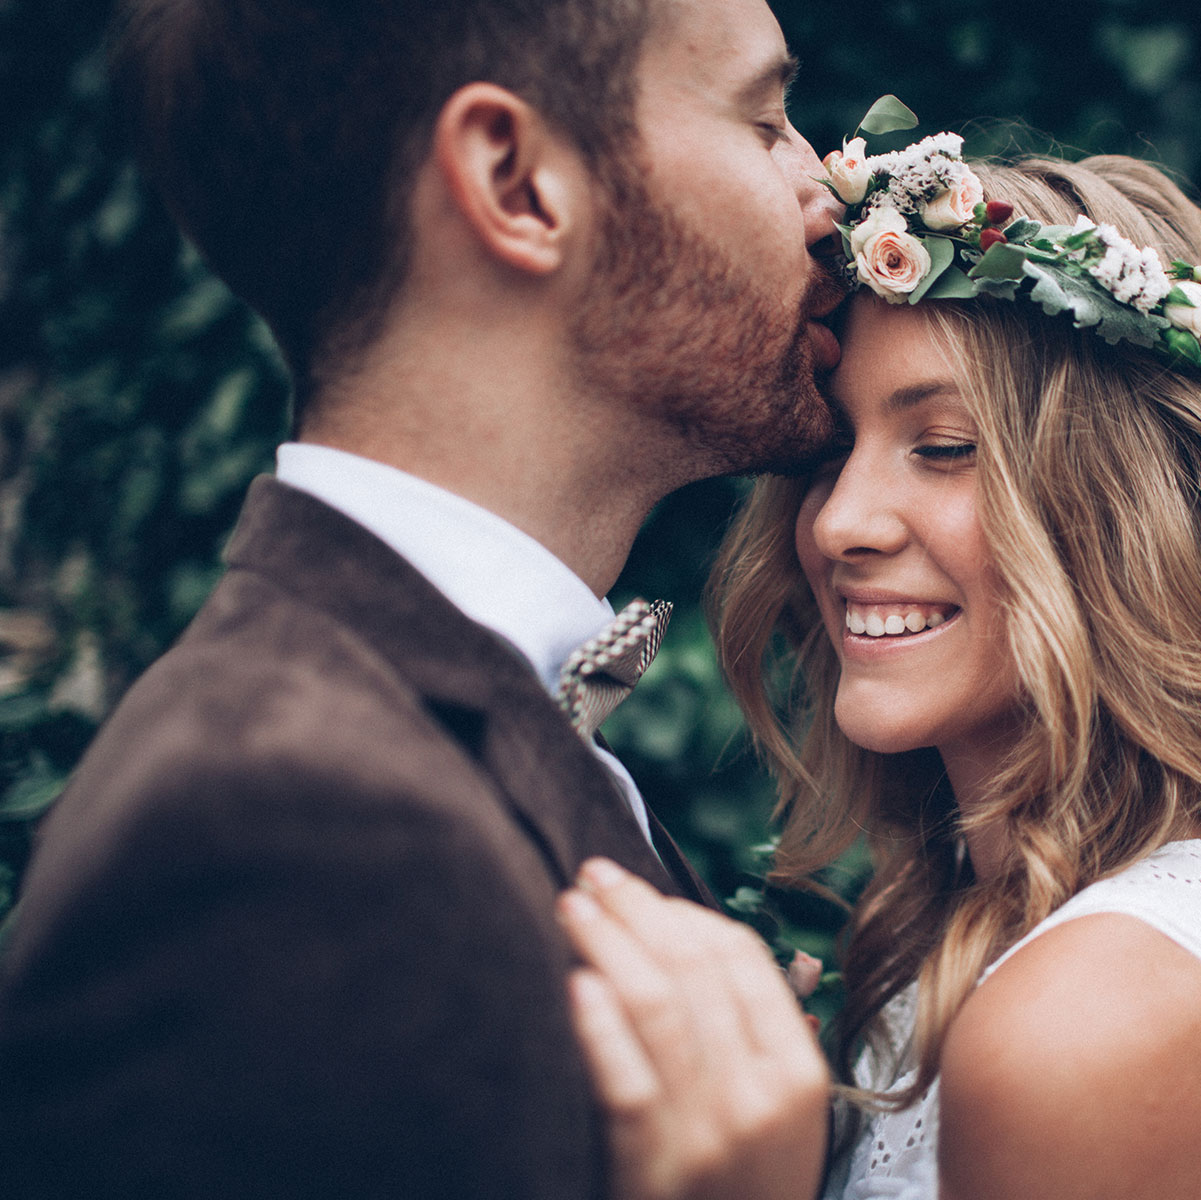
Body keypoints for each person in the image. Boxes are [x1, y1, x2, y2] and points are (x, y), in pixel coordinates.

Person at [0, 0, 839, 1196]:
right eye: (765, 122)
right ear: (517, 182)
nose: (828, 190)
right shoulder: (281, 827)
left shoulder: (425, 720)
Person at [557, 137, 1201, 1199]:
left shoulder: (1086, 1021)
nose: (840, 522)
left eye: (943, 447)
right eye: (824, 456)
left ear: (1137, 515)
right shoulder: (996, 941)